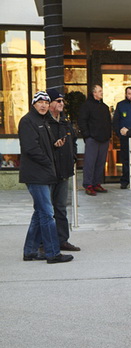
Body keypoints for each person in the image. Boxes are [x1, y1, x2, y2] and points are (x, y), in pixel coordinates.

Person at [19, 91, 73, 264]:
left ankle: (30, 251)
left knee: (39, 213)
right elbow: (30, 148)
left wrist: (54, 146)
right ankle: (52, 253)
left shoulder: (43, 122)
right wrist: (49, 162)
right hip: (36, 174)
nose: (43, 105)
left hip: (44, 173)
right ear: (34, 104)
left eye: (45, 102)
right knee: (48, 214)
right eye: (40, 102)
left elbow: (43, 146)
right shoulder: (27, 121)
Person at [46, 89, 80, 252]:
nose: (61, 103)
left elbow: (73, 142)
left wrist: (72, 156)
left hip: (64, 171)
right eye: (58, 101)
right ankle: (43, 242)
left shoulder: (65, 123)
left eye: (62, 101)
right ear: (50, 103)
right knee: (45, 209)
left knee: (61, 207)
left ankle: (62, 240)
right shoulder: (44, 123)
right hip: (48, 172)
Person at [78, 84, 111, 196]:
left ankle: (97, 183)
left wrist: (108, 136)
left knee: (100, 163)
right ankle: (88, 185)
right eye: (99, 91)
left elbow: (108, 122)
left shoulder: (105, 107)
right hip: (92, 139)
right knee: (90, 163)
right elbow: (82, 121)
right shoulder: (86, 106)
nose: (102, 92)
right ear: (94, 93)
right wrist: (87, 135)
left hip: (104, 139)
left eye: (101, 90)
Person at [112, 86, 131, 189]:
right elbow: (116, 121)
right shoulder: (121, 105)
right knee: (126, 160)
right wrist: (119, 134)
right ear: (126, 94)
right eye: (129, 93)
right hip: (125, 138)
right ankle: (125, 181)